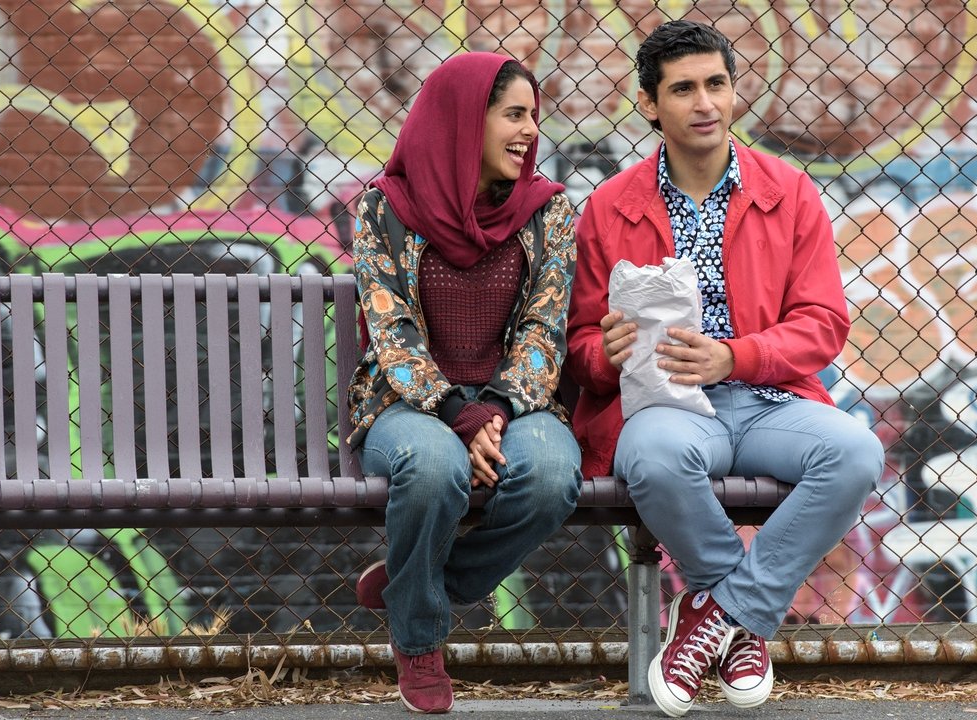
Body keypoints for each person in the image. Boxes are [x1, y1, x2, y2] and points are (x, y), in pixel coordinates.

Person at [566, 20, 884, 718]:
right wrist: (604, 353)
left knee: (857, 453)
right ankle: (741, 620)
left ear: (736, 91)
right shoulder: (610, 207)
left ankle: (713, 615)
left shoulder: (789, 191)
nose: (705, 102)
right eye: (683, 89)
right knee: (652, 460)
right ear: (651, 104)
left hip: (771, 399)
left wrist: (735, 356)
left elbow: (824, 323)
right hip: (667, 406)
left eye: (716, 84)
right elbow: (581, 343)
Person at [347, 52, 581, 715]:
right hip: (406, 404)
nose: (530, 131)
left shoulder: (548, 211)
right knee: (433, 467)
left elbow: (545, 326)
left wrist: (496, 409)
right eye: (513, 115)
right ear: (462, 120)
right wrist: (457, 411)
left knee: (551, 476)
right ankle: (419, 638)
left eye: (533, 116)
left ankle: (418, 584)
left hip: (515, 402)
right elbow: (391, 330)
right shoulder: (383, 209)